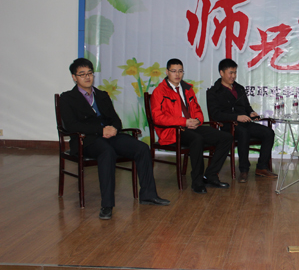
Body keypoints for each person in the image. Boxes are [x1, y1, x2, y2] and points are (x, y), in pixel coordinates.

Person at [60, 58, 170, 220]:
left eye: (90, 73)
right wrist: (100, 130)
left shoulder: (102, 95)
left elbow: (115, 119)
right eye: (82, 74)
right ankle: (107, 205)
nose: (87, 77)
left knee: (142, 148)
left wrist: (114, 129)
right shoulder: (67, 98)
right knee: (107, 152)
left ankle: (148, 195)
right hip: (87, 140)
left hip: (110, 136)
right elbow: (71, 125)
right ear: (74, 77)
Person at [150, 58, 232, 194]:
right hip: (173, 130)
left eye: (180, 71)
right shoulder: (159, 91)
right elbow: (158, 118)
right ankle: (197, 181)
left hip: (191, 126)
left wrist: (197, 120)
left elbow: (197, 110)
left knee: (226, 137)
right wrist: (184, 122)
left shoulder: (187, 89)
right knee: (197, 139)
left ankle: (210, 175)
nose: (177, 74)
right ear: (167, 72)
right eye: (174, 71)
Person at [206, 59, 277, 183]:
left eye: (235, 73)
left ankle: (261, 167)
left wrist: (251, 113)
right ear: (221, 73)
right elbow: (216, 114)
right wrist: (236, 117)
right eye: (230, 73)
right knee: (243, 132)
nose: (233, 76)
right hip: (228, 125)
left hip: (245, 122)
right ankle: (244, 169)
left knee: (268, 133)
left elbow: (247, 107)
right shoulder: (214, 92)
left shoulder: (239, 88)